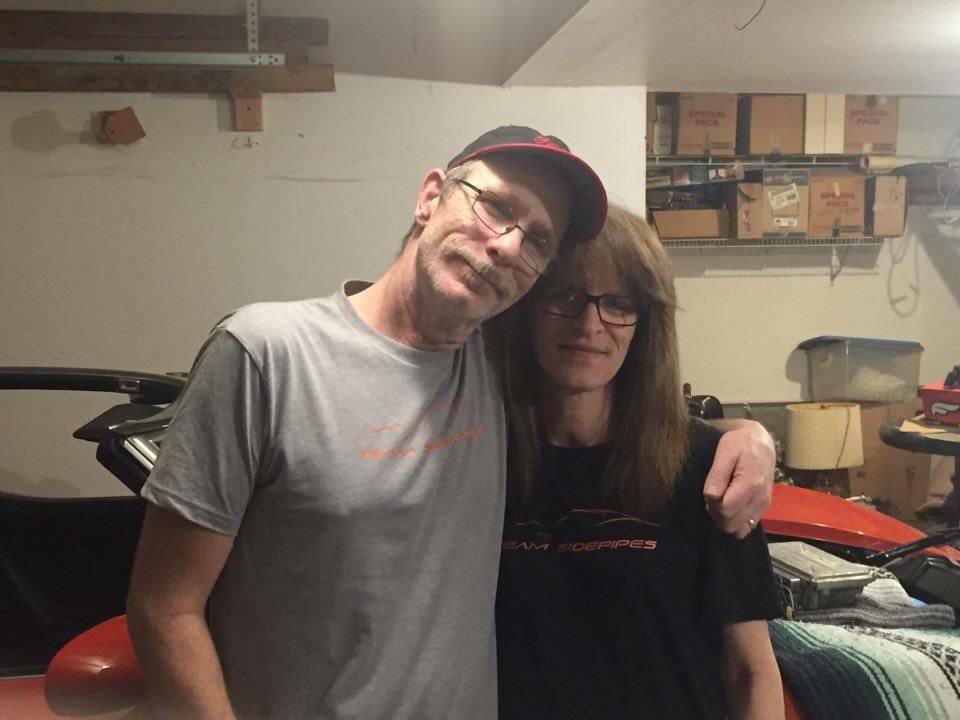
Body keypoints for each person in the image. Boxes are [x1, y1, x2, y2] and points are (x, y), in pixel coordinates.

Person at [126, 127, 776, 720]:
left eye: (539, 240)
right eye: (495, 205)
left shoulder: (496, 373)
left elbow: (612, 388)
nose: (507, 245)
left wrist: (750, 437)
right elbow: (165, 607)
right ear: (430, 195)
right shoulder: (266, 353)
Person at [494, 205, 784, 720]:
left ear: (644, 324)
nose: (590, 323)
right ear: (528, 308)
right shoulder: (480, 463)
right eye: (565, 296)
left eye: (618, 303)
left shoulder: (707, 467)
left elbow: (751, 672)